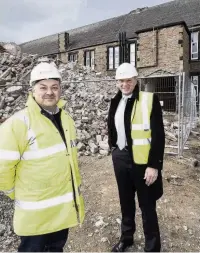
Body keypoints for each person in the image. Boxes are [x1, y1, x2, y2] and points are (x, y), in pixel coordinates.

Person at [0, 62, 85, 252]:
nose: (50, 92)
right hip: (35, 218)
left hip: (61, 213)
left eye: (55, 87)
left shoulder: (67, 120)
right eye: (43, 87)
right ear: (33, 90)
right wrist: (17, 192)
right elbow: (2, 169)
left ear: (61, 89)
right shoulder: (18, 124)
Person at [107, 63, 165, 252]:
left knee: (147, 205)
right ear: (117, 82)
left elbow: (158, 135)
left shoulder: (149, 100)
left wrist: (154, 165)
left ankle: (152, 247)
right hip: (121, 158)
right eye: (121, 81)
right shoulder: (115, 101)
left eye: (128, 80)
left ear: (135, 80)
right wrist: (113, 148)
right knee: (126, 202)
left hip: (142, 162)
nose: (125, 84)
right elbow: (113, 127)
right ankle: (127, 238)